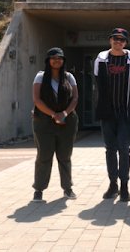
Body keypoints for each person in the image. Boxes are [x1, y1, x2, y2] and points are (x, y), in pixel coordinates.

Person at [94, 28, 130, 202]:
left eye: (122, 40)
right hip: (108, 113)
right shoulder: (101, 59)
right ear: (110, 40)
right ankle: (112, 184)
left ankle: (124, 186)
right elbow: (98, 82)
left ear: (126, 43)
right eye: (115, 38)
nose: (118, 42)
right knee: (110, 149)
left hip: (124, 114)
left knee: (124, 149)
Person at [31, 47, 79, 201]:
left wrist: (63, 114)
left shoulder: (69, 77)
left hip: (67, 122)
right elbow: (37, 100)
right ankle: (39, 189)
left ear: (63, 60)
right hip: (44, 122)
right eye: (53, 58)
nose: (57, 60)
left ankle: (67, 188)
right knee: (44, 156)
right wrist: (53, 115)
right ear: (48, 61)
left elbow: (75, 98)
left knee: (65, 156)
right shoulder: (40, 76)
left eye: (60, 58)